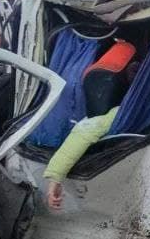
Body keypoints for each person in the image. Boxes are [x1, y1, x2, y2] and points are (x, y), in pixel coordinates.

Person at [44, 40, 137, 210]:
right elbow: (86, 131)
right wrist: (55, 177)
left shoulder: (130, 109)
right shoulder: (126, 109)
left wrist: (55, 178)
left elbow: (85, 131)